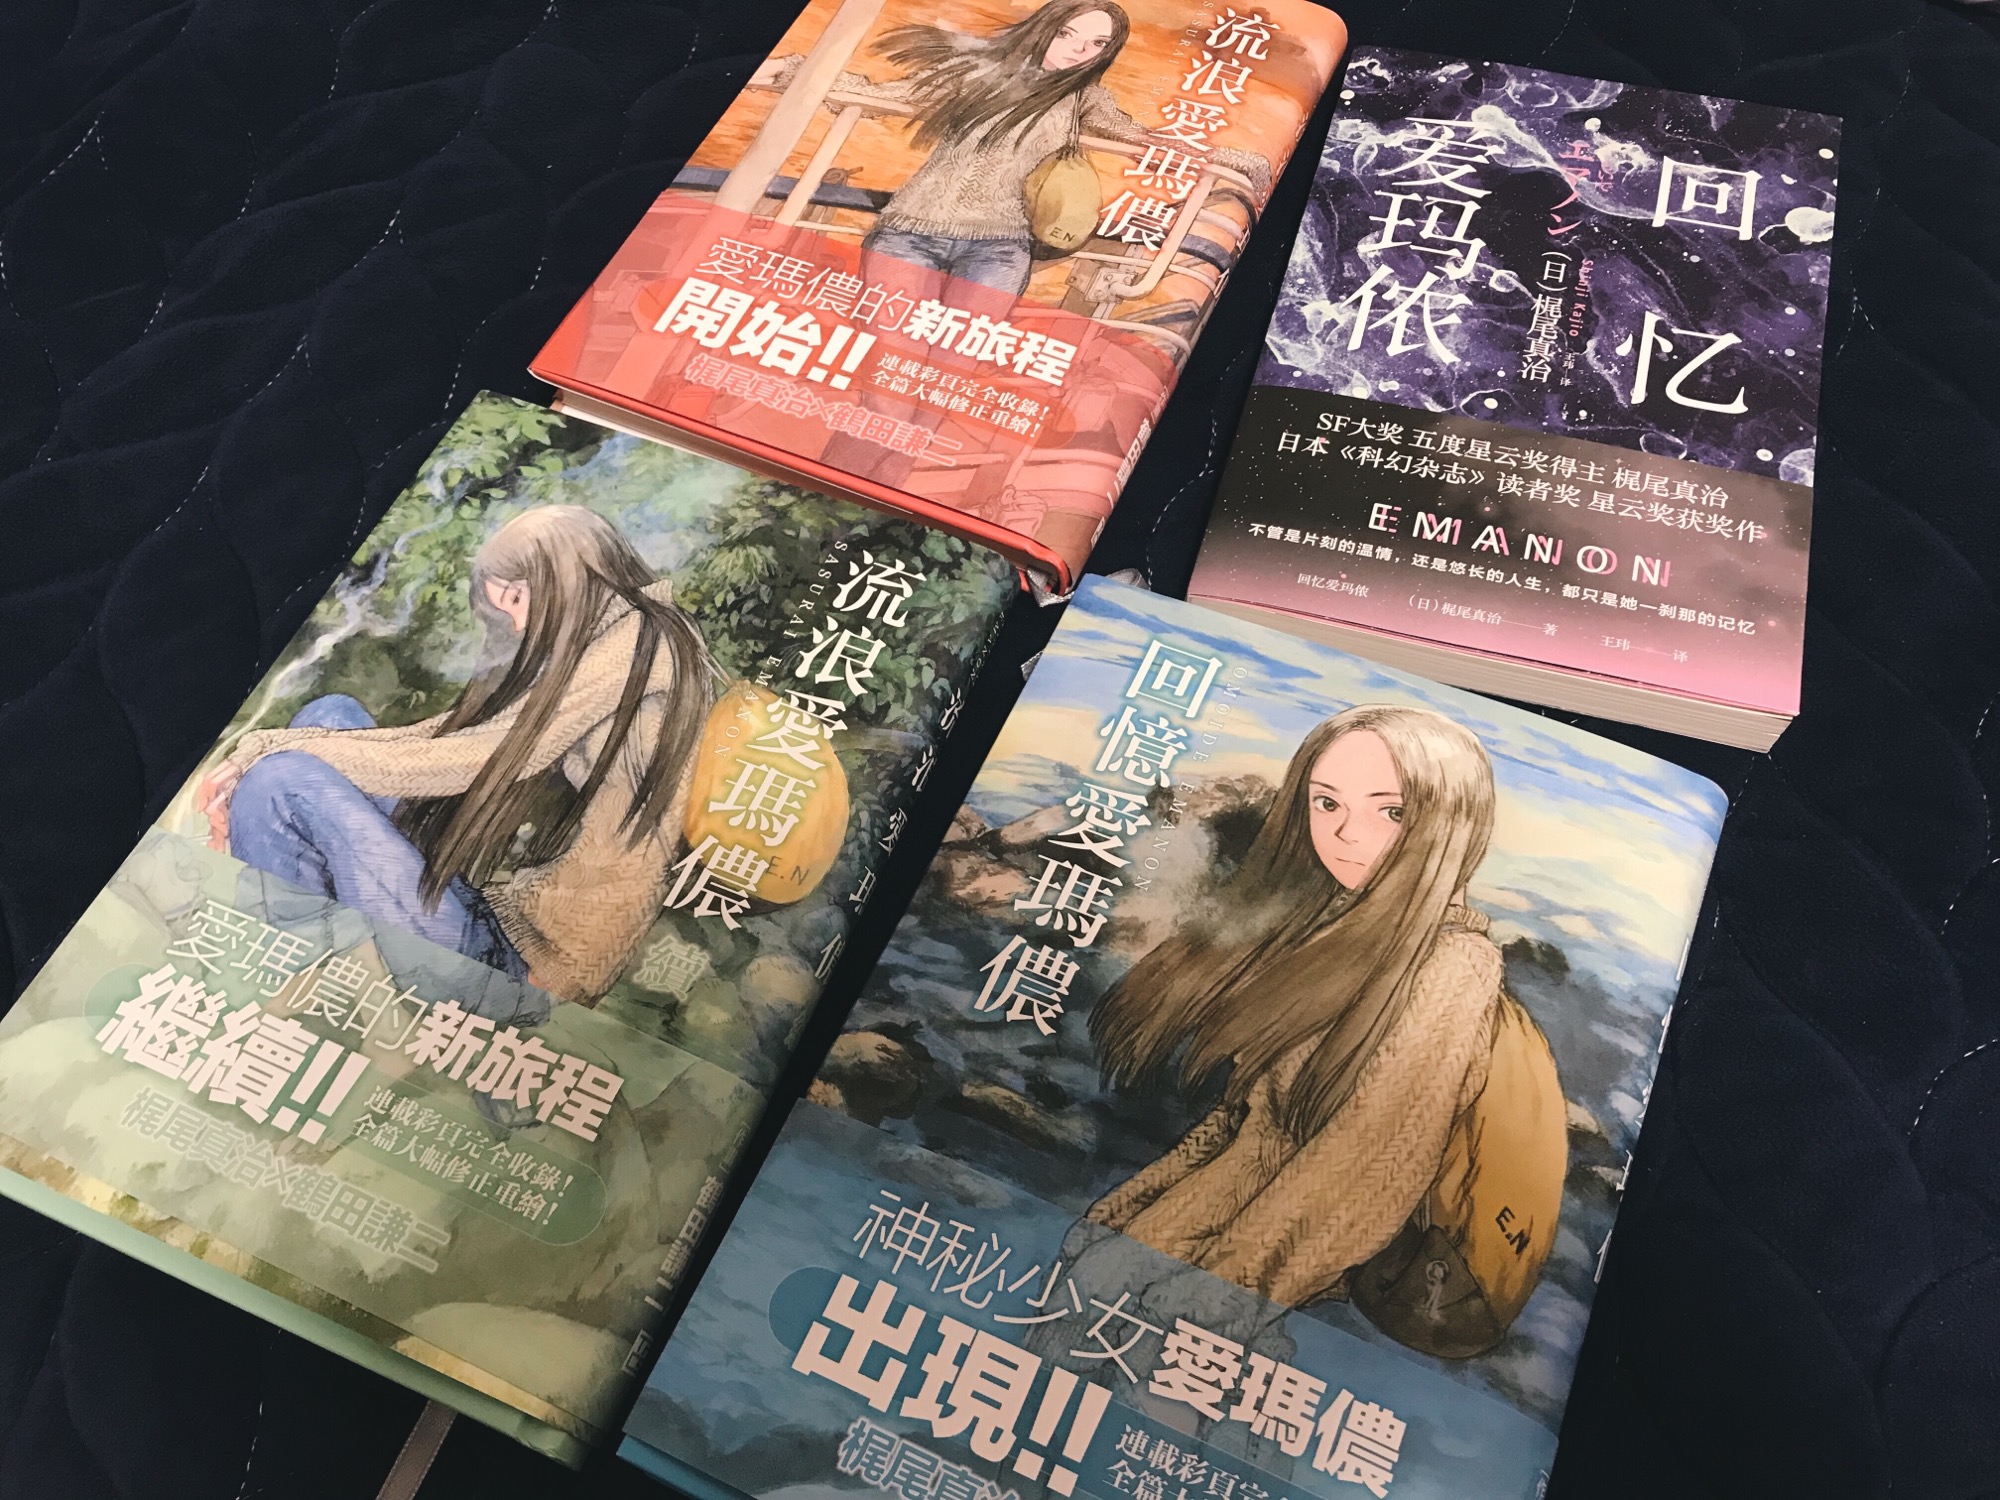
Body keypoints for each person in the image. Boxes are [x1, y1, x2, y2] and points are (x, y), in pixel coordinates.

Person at [1084, 704, 1520, 1312]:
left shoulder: (1453, 966)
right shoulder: (1344, 933)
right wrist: (1126, 1217)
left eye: (1392, 812)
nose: (1346, 834)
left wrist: (1208, 1305)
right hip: (1202, 1229)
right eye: (1327, 803)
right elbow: (1252, 1123)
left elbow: (1360, 1177)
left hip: (1234, 1271)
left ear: (1455, 822)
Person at [198, 506, 716, 1006]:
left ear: (568, 577)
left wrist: (267, 751)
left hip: (521, 974)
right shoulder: (621, 632)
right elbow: (453, 735)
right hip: (499, 920)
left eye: (518, 599)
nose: (517, 625)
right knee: (331, 716)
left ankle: (294, 968)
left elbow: (474, 757)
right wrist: (272, 746)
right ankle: (317, 955)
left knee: (281, 780)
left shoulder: (640, 646)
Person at [754, 0, 1271, 298]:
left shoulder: (1084, 98)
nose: (1078, 50)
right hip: (909, 234)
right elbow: (883, 95)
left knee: (950, 370)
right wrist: (792, 68)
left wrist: (1238, 159)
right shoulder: (974, 72)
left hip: (1000, 248)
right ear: (1046, 27)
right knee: (888, 358)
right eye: (1068, 33)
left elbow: (1146, 139)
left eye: (1096, 45)